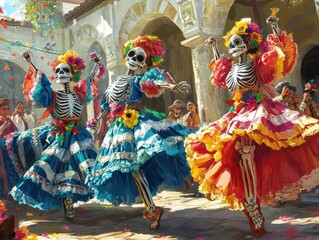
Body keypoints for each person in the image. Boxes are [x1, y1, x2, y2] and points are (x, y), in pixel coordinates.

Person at [184, 11, 319, 237]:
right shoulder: (230, 68)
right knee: (239, 154)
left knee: (249, 153)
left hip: (259, 111)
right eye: (232, 44)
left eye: (239, 43)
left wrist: (275, 29)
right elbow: (222, 75)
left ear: (248, 44)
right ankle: (250, 204)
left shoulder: (259, 63)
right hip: (238, 112)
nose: (234, 47)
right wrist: (215, 48)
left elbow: (280, 59)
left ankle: (252, 203)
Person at [86, 35, 191, 230]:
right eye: (132, 55)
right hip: (118, 129)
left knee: (136, 166)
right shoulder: (115, 82)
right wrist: (97, 122)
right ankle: (151, 208)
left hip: (136, 123)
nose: (134, 59)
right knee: (132, 169)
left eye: (139, 58)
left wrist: (172, 86)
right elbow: (107, 106)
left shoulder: (140, 79)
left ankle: (151, 208)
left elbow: (154, 85)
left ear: (143, 63)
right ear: (126, 56)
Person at [0, 50, 103, 221]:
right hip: (60, 136)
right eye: (58, 71)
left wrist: (96, 65)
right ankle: (67, 203)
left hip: (78, 134)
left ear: (72, 75)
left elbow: (90, 78)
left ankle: (74, 198)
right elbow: (40, 78)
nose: (61, 74)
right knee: (61, 169)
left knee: (81, 168)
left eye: (65, 71)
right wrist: (30, 62)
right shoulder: (53, 95)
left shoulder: (79, 92)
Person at [0, 98, 18, 198]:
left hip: (10, 148)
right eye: (3, 109)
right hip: (2, 149)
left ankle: (12, 193)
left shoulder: (9, 120)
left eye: (7, 109)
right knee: (4, 170)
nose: (6, 111)